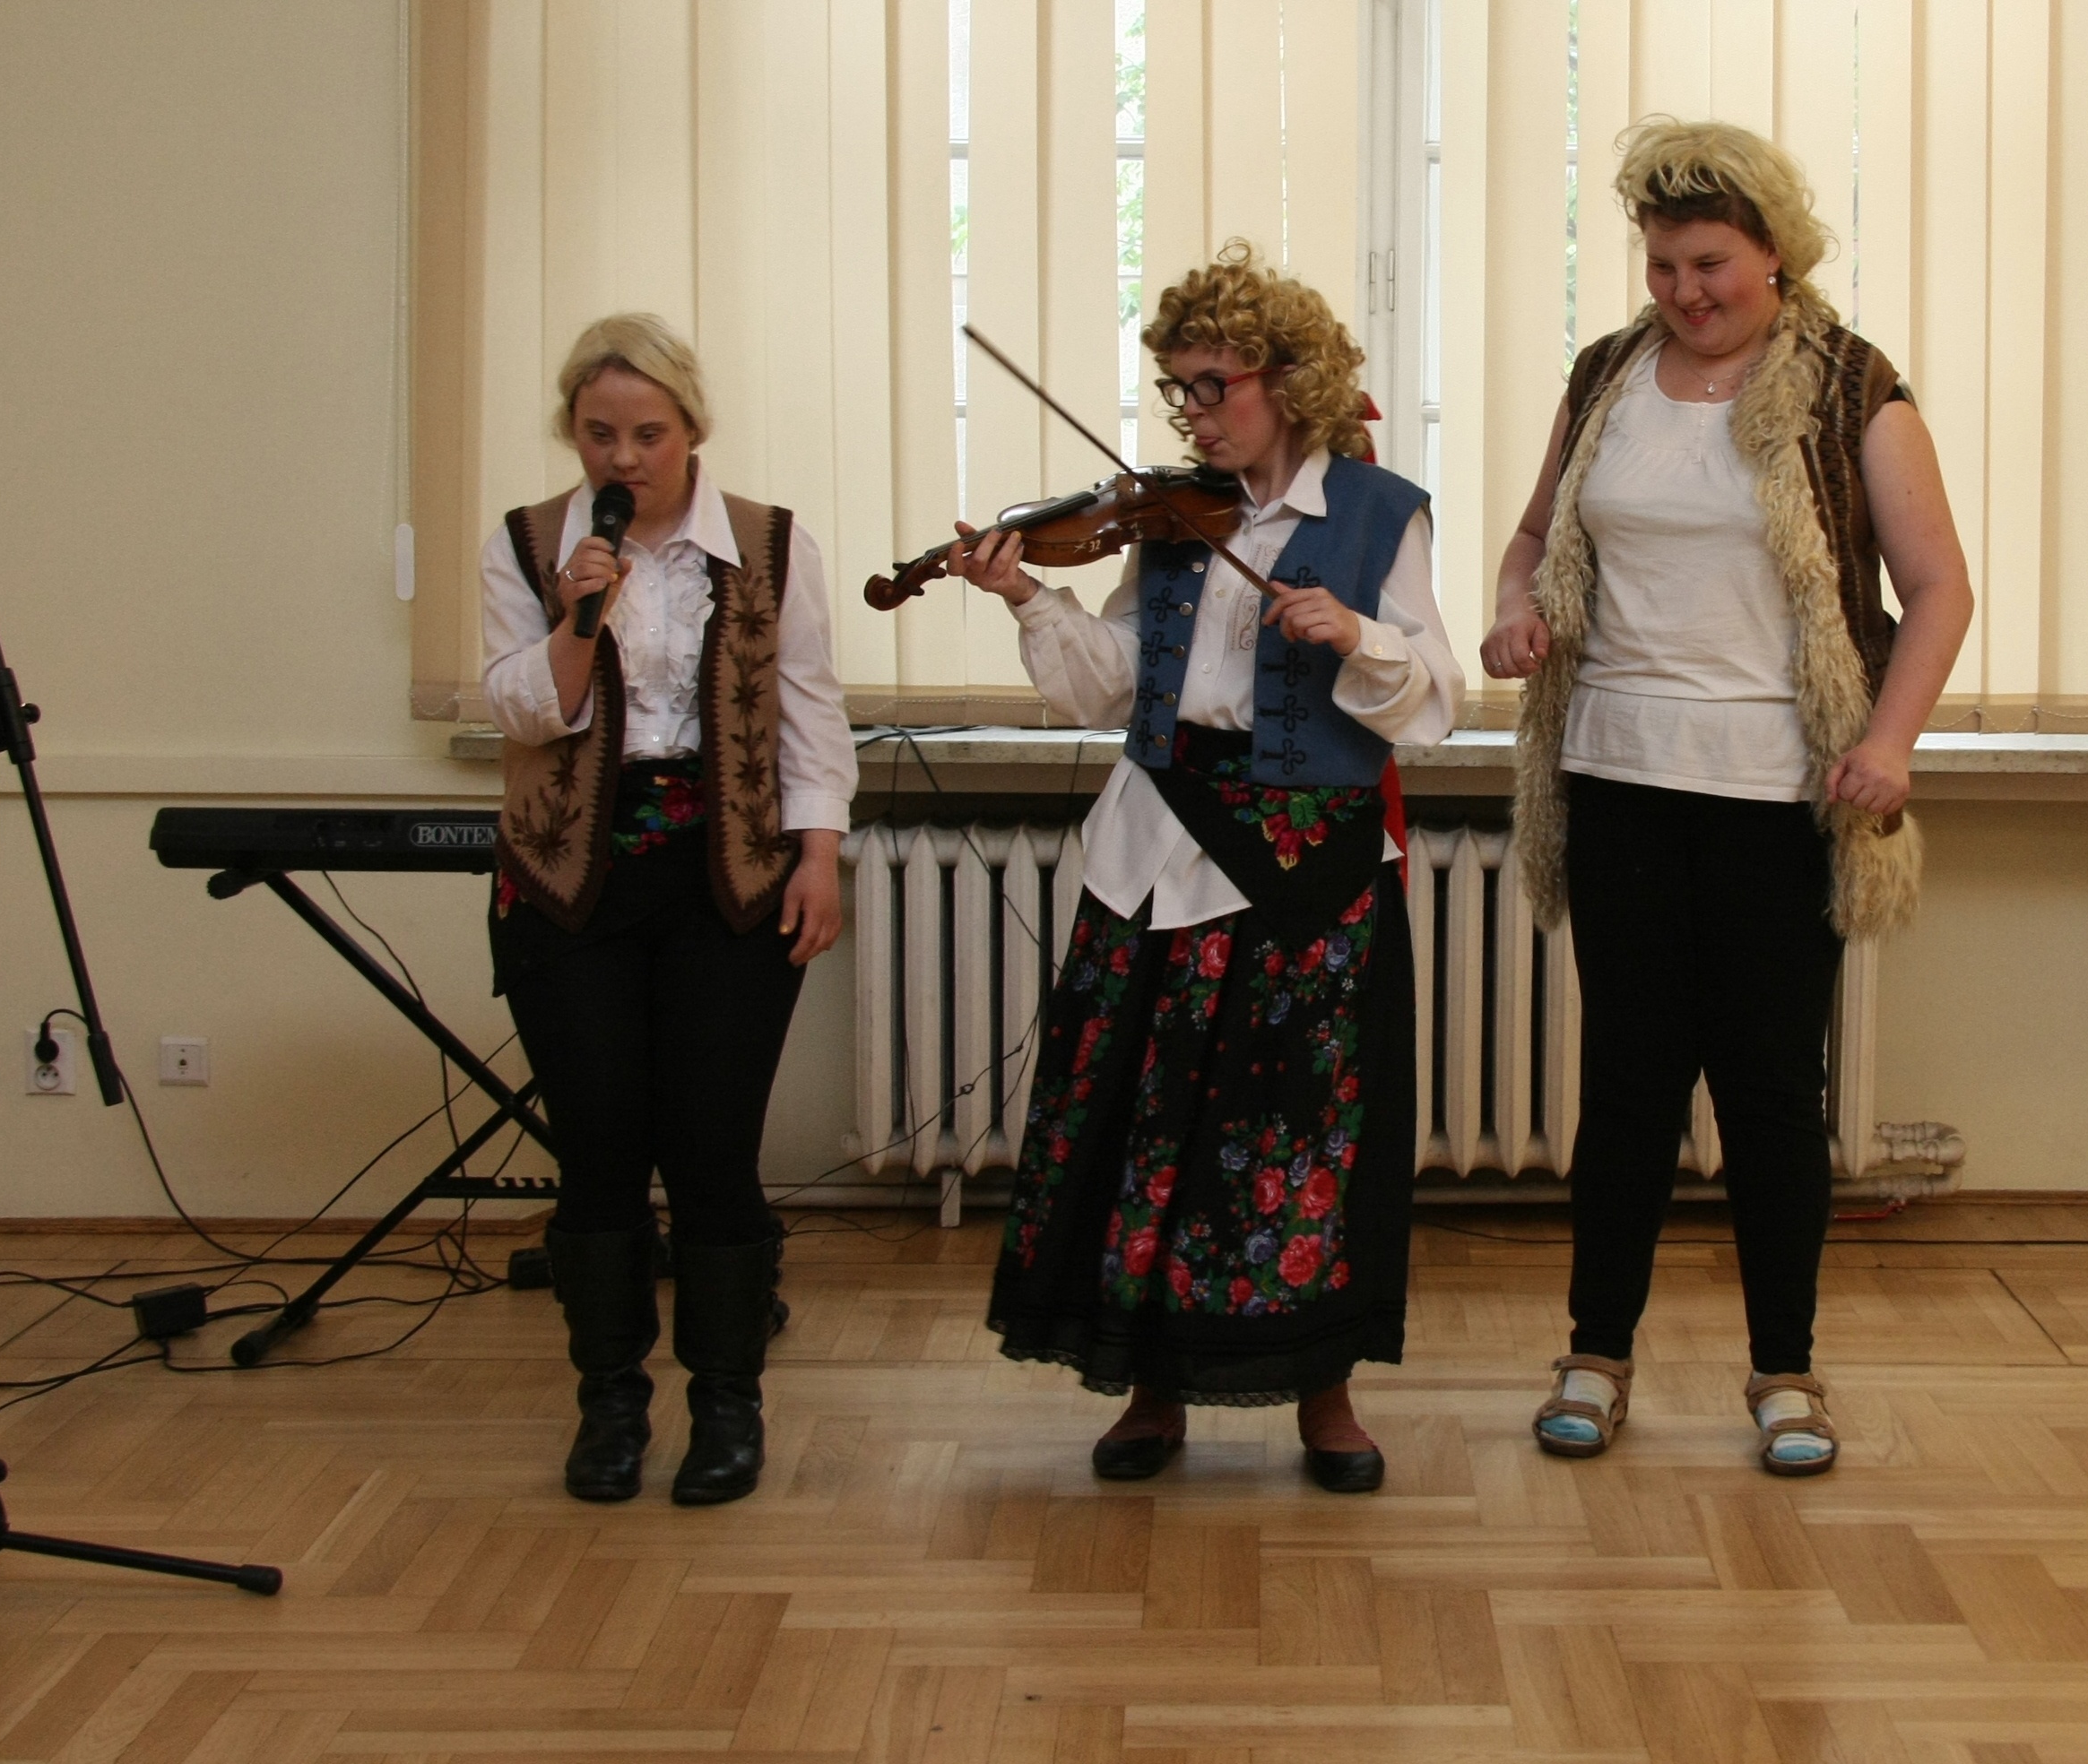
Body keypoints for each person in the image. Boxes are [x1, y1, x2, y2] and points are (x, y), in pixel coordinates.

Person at [1481, 120, 1971, 1475]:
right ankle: (1595, 1356)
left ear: (1774, 253)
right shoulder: (1605, 376)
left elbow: (1939, 588)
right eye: (1662, 266)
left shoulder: (1854, 388)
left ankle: (1787, 1372)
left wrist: (1892, 741)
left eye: (1709, 264)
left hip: (1777, 792)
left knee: (1768, 1095)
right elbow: (1534, 539)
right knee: (1627, 1089)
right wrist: (1516, 610)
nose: (1685, 291)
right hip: (1618, 778)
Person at [948, 242, 1461, 1493]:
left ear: (1287, 379)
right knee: (1146, 1123)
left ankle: (1324, 1394)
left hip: (1307, 869)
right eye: (1178, 387)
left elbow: (1438, 701)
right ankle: (1153, 1389)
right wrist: (1028, 601)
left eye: (1211, 384)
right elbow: (1109, 690)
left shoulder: (1380, 514)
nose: (1191, 410)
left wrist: (1358, 635)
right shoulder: (1174, 521)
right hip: (1161, 847)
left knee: (1305, 1133)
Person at [481, 313, 855, 1506]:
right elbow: (518, 711)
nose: (623, 457)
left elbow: (809, 710)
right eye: (600, 434)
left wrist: (820, 854)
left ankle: (727, 1405)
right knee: (597, 1154)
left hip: (727, 878)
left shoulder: (770, 544)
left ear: (691, 428)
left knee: (712, 1150)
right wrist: (574, 618)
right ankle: (609, 1405)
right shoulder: (527, 543)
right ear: (572, 434)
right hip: (568, 884)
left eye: (647, 433)